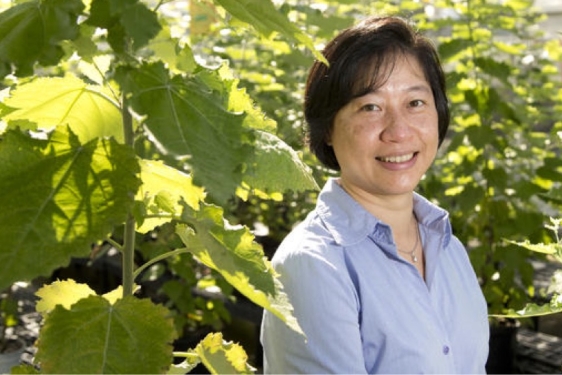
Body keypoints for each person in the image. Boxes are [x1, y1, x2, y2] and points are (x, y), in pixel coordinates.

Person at [260, 15, 489, 374]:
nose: (398, 131)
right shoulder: (313, 265)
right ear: (328, 130)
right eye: (371, 107)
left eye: (415, 103)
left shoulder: (446, 246)